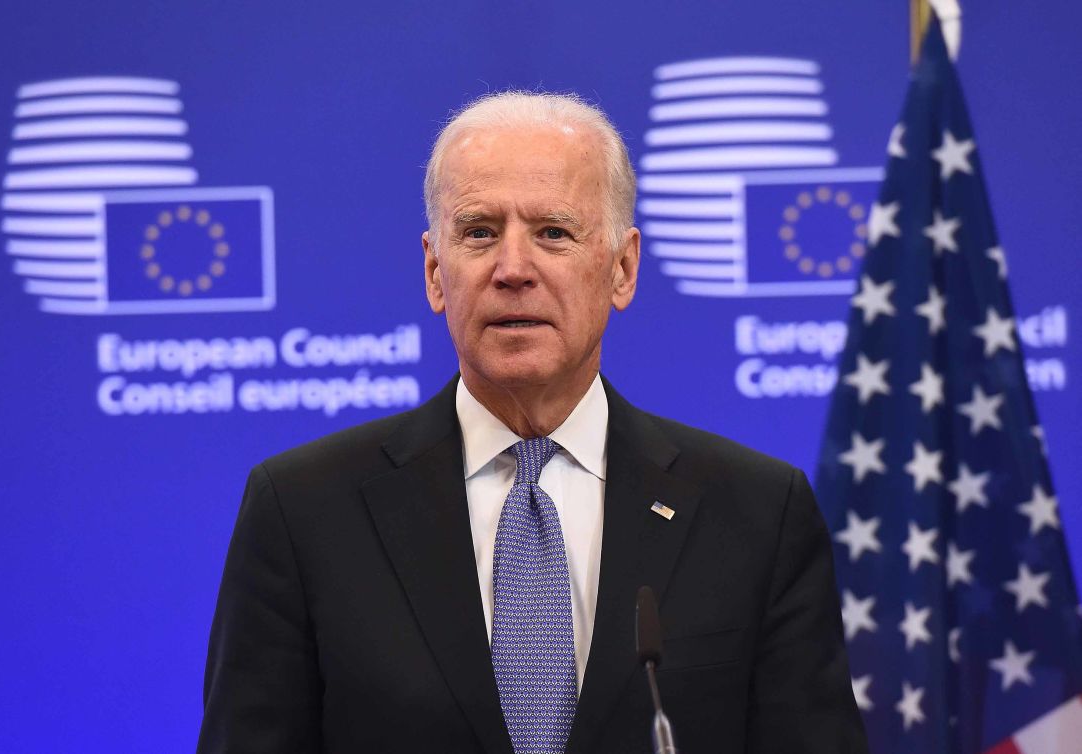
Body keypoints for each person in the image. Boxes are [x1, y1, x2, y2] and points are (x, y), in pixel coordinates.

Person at [197, 91, 867, 753]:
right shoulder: (303, 511)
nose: (513, 269)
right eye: (480, 232)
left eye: (553, 232)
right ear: (435, 271)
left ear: (623, 268)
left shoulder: (754, 511)